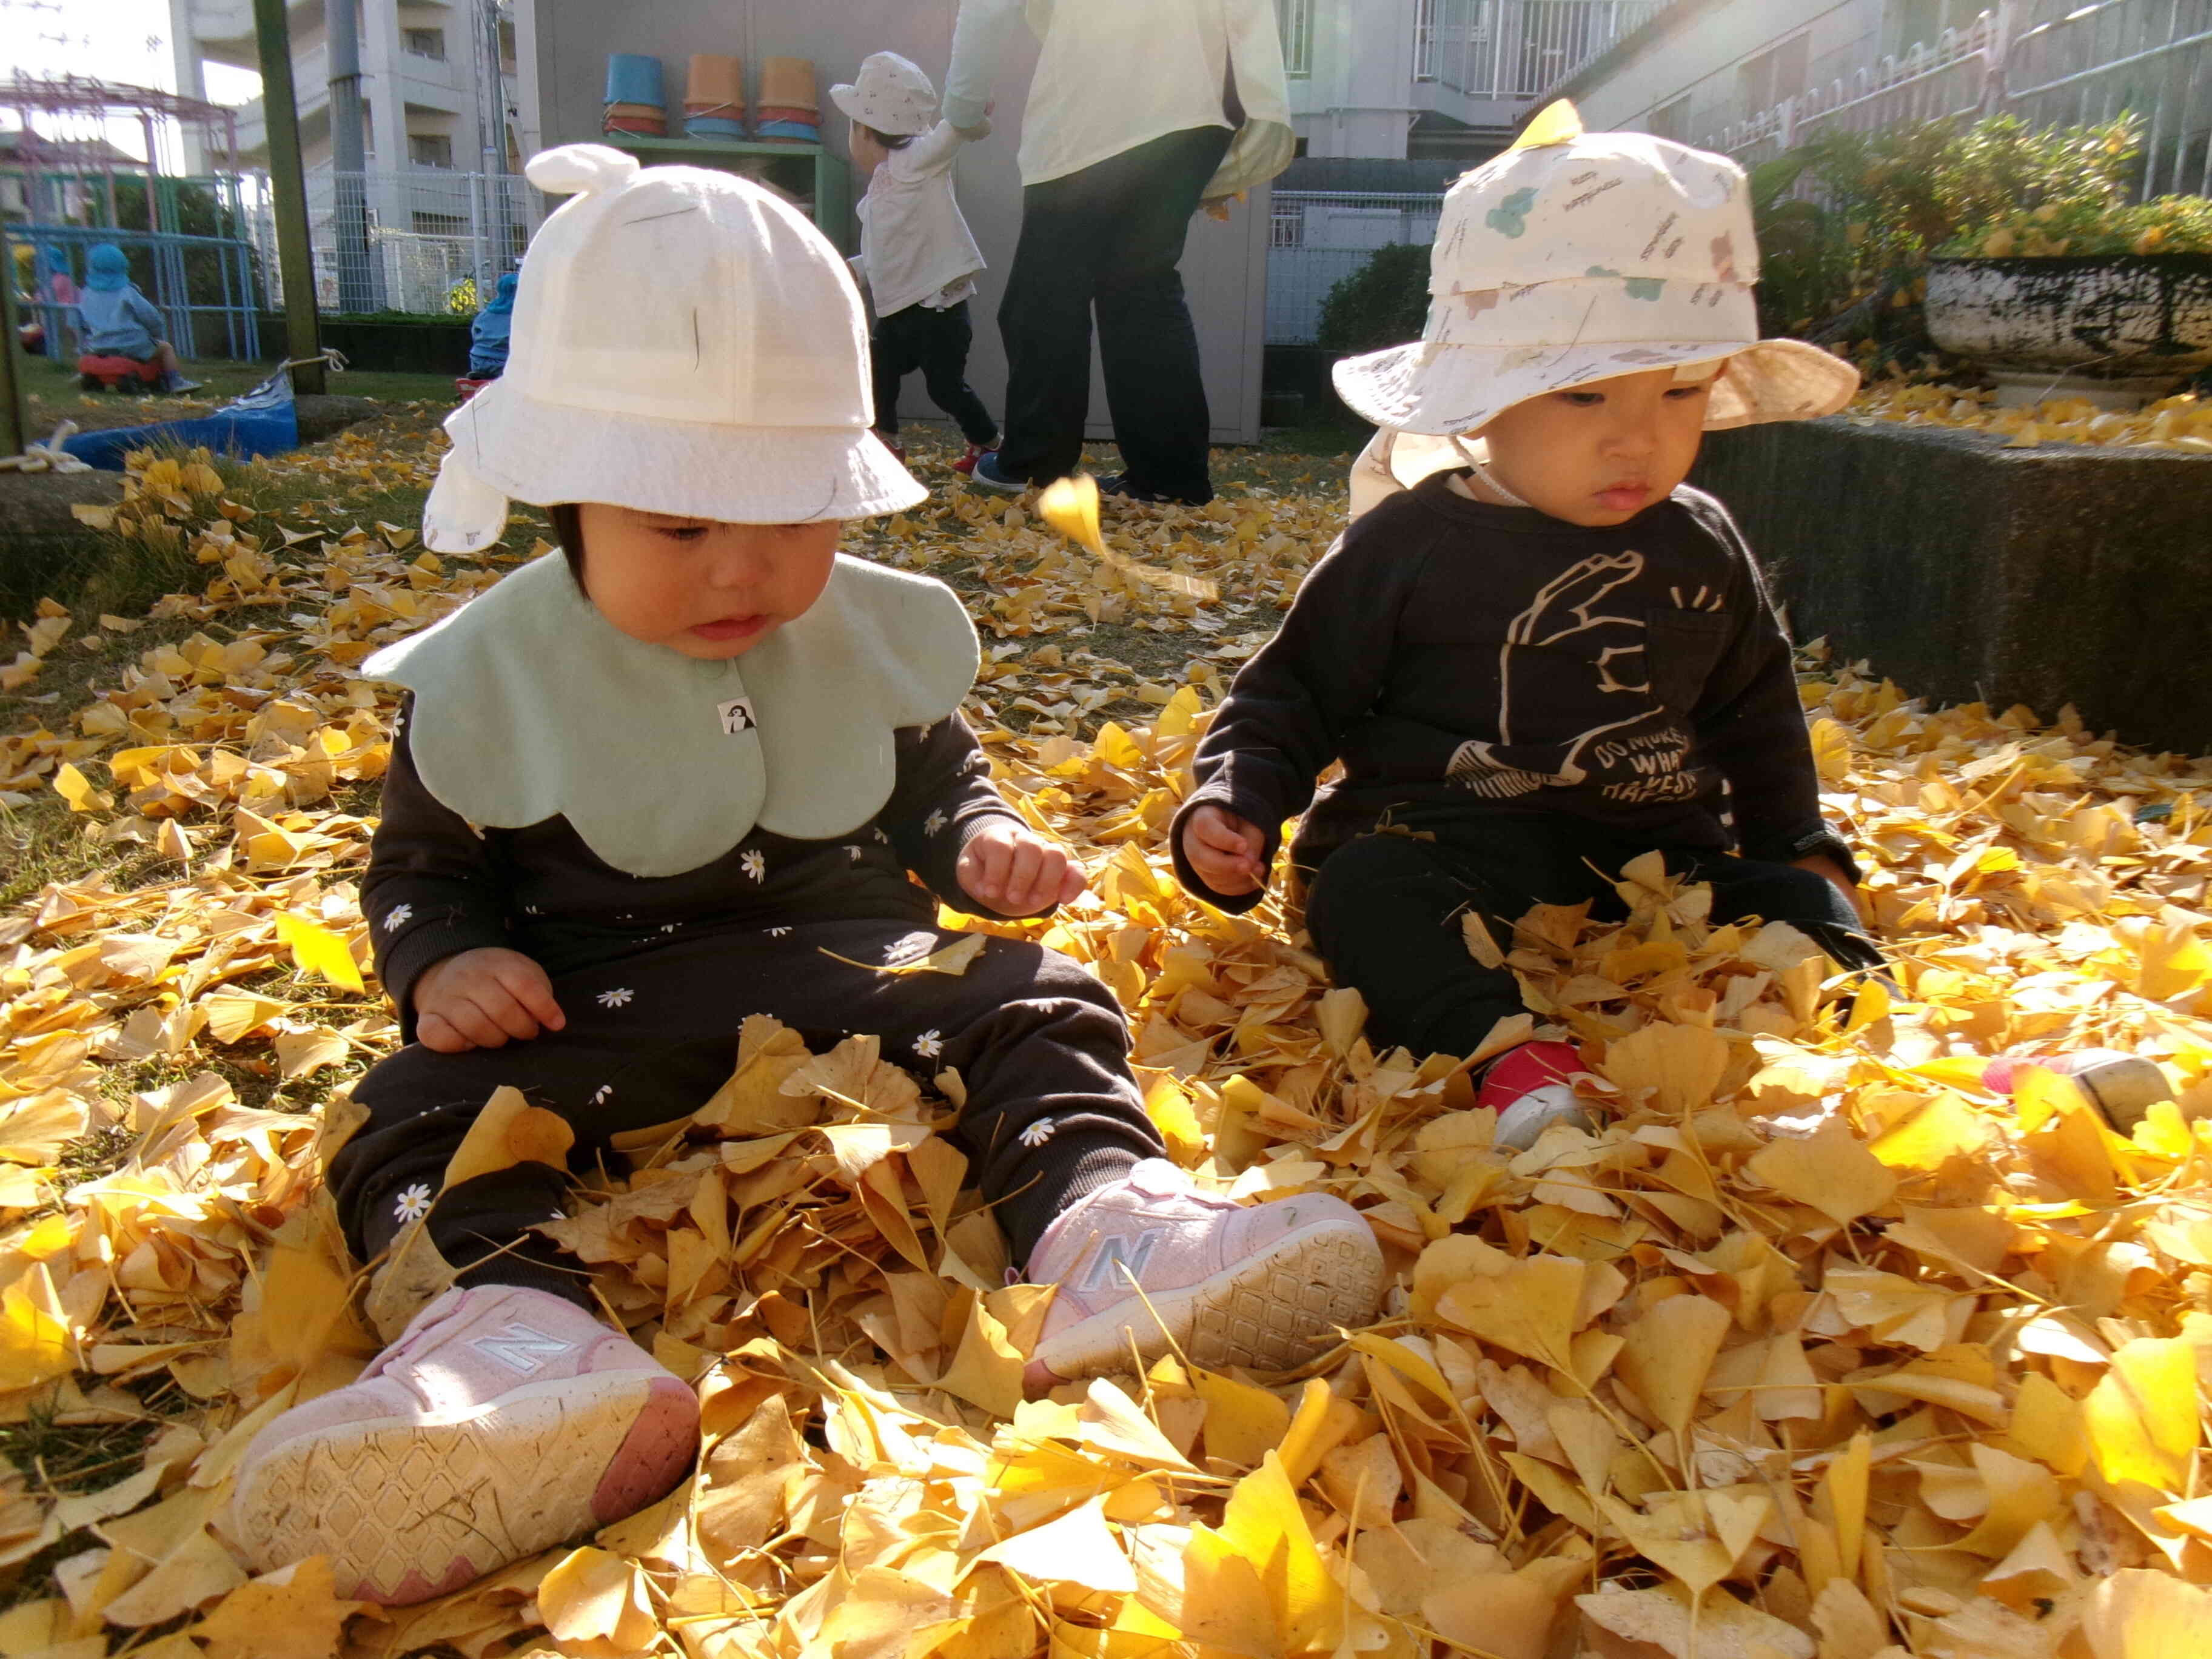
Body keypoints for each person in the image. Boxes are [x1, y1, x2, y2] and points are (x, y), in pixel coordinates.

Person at [224, 144, 1386, 1606]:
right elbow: (421, 864)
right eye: (684, 525)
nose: (742, 572)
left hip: (859, 974)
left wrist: (979, 840)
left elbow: (933, 777)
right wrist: (446, 962)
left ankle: (1106, 1219)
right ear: (564, 498)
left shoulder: (864, 635)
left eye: (790, 519)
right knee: (405, 1117)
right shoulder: (497, 678)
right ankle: (505, 1338)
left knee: (1037, 995)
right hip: (590, 1011)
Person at [1170, 106, 1883, 1150]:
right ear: (1479, 400)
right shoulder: (1408, 543)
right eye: (1584, 395)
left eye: (1679, 391)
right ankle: (1508, 1060)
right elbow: (1291, 692)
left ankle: (1882, 1050)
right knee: (1364, 894)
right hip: (1444, 845)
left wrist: (1794, 843)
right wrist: (1234, 801)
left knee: (1807, 906)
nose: (1635, 436)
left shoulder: (1700, 539)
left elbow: (1753, 710)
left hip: (1648, 865)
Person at [950, 0, 1293, 506]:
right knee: (1143, 291)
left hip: (1095, 97)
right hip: (1196, 102)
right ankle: (1170, 477)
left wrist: (963, 107)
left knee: (1045, 296)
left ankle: (1035, 464)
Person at [831, 51, 1000, 475]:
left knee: (944, 388)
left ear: (867, 132)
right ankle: (887, 441)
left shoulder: (917, 161)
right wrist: (852, 270)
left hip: (937, 305)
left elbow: (947, 136)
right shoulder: (877, 193)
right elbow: (885, 253)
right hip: (898, 308)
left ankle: (990, 442)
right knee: (880, 370)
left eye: (852, 129)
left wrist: (966, 110)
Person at [72, 243, 199, 394]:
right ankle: (175, 381)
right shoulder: (128, 291)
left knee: (95, 348)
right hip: (132, 344)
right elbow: (149, 315)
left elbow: (80, 320)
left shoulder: (85, 293)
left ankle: (95, 375)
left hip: (99, 344)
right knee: (166, 348)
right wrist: (156, 330)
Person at [468, 270, 520, 379]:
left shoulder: (484, 315)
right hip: (504, 364)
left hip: (477, 362)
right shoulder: (520, 317)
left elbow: (475, 336)